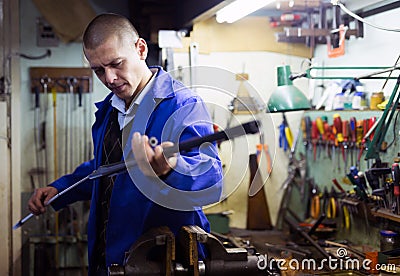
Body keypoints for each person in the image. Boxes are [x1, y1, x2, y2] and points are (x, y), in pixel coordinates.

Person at [27, 13, 223, 275]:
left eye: (116, 64)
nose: (109, 78)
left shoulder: (182, 105)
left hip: (161, 261)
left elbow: (212, 178)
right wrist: (61, 190)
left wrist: (170, 170)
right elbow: (106, 168)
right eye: (98, 70)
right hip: (107, 257)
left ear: (140, 49)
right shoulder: (110, 110)